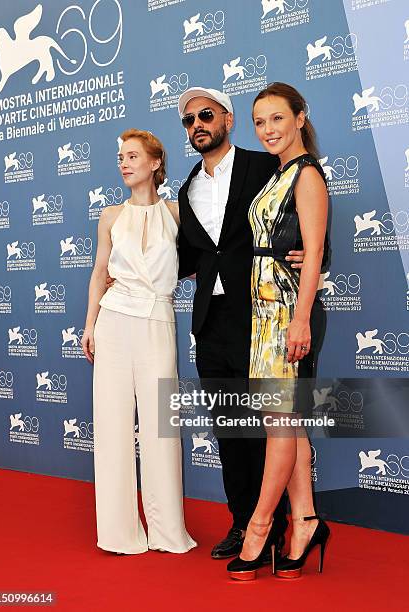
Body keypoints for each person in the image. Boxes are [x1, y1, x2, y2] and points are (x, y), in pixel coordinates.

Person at [177, 87, 305, 561]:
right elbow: (190, 256)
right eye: (189, 120)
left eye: (205, 115)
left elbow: (298, 214)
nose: (197, 125)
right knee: (230, 427)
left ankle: (272, 524)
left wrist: (313, 252)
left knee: (268, 424)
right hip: (209, 321)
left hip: (261, 313)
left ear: (228, 119)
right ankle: (241, 521)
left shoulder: (262, 166)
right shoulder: (186, 187)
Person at [227, 83, 330, 580]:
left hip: (289, 314)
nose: (268, 130)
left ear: (300, 117)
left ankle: (260, 527)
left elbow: (313, 252)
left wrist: (302, 318)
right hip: (266, 313)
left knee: (279, 426)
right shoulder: (280, 173)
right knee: (291, 425)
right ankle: (306, 522)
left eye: (276, 119)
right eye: (260, 122)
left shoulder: (306, 174)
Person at [81, 128, 196, 555]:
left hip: (158, 321)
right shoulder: (110, 215)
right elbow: (98, 272)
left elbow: (205, 259)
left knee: (162, 430)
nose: (124, 163)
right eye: (121, 158)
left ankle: (167, 531)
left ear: (154, 163)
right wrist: (90, 324)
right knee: (111, 426)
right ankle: (118, 532)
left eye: (132, 156)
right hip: (113, 320)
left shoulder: (176, 213)